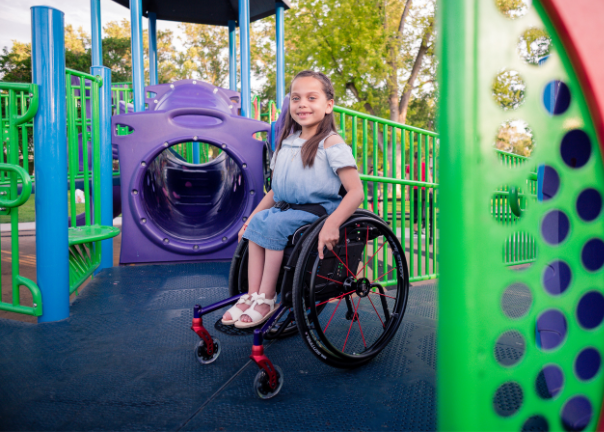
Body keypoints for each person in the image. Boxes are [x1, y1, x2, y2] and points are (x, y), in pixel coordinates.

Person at [222, 70, 365, 328]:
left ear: (328, 105)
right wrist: (251, 218)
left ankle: (267, 298)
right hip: (287, 210)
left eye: (312, 98)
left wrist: (333, 224)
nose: (302, 104)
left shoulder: (331, 143)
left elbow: (356, 191)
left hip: (315, 211)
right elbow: (275, 192)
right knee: (258, 223)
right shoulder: (287, 143)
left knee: (274, 225)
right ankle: (252, 295)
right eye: (296, 98)